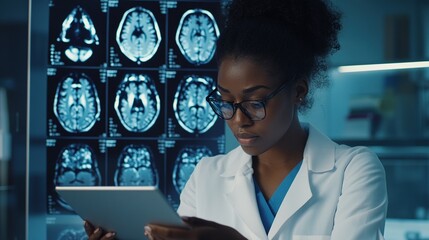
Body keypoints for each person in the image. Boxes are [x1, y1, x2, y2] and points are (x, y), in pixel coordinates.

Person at [84, 0, 388, 239]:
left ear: (298, 91)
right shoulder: (207, 176)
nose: (238, 120)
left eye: (255, 103)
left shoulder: (353, 170)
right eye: (226, 102)